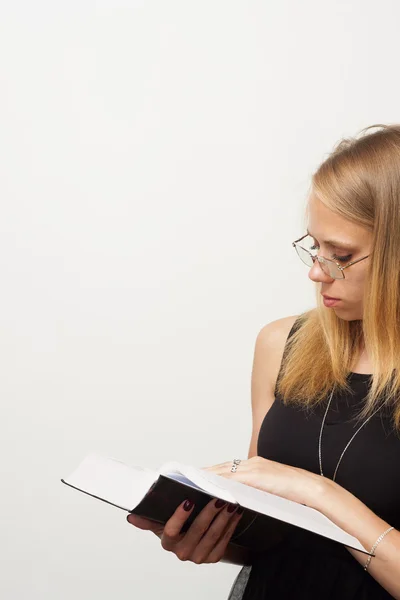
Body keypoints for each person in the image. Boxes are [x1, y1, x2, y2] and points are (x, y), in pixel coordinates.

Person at [127, 123, 400, 599]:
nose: (317, 272)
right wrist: (209, 537)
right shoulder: (282, 344)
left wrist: (318, 494)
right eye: (315, 246)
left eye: (342, 254)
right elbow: (269, 535)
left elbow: (305, 494)